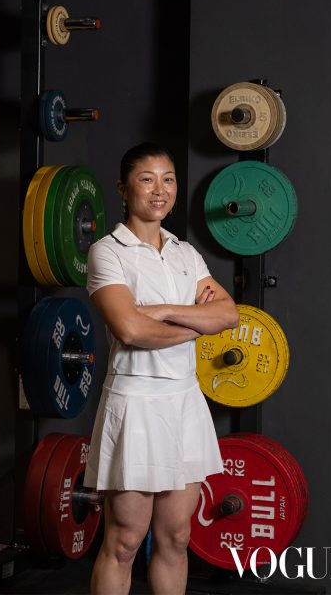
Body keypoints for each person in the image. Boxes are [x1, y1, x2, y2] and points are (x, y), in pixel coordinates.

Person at [83, 142, 239, 595]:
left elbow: (228, 315)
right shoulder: (106, 252)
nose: (160, 190)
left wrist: (164, 310)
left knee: (177, 538)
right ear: (123, 189)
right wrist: (196, 324)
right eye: (147, 179)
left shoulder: (186, 254)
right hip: (136, 402)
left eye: (168, 179)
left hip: (185, 401)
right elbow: (131, 331)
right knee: (126, 541)